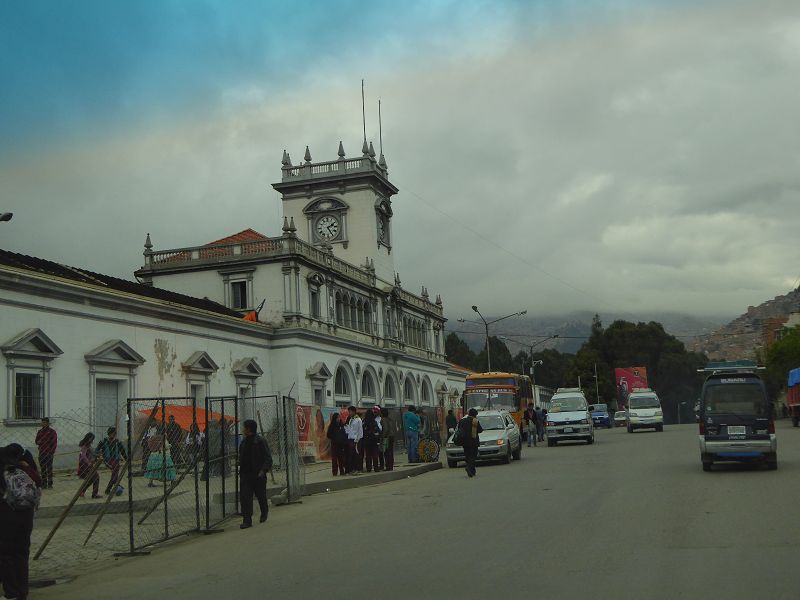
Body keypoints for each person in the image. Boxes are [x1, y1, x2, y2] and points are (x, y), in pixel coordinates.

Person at [0, 444, 42, 600]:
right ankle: (22, 592)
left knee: (6, 555)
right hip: (26, 517)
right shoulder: (24, 469)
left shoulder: (2, 471)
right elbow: (39, 482)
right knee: (22, 554)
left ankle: (11, 592)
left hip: (7, 517)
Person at [238, 419, 272, 529]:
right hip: (245, 474)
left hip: (258, 474)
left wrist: (263, 470)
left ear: (248, 429)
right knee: (245, 498)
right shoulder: (243, 442)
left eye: (244, 428)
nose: (243, 430)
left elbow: (268, 458)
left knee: (261, 496)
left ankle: (264, 512)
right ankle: (247, 520)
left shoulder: (260, 441)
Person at [96, 427, 128, 495]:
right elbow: (96, 450)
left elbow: (122, 451)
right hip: (107, 460)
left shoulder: (117, 442)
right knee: (115, 472)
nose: (112, 435)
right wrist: (99, 456)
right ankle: (115, 485)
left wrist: (126, 459)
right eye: (111, 434)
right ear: (109, 433)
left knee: (115, 473)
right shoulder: (103, 441)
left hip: (116, 460)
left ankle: (112, 487)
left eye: (114, 434)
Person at [458, 408, 483, 478]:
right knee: (473, 456)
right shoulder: (475, 421)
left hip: (464, 442)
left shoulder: (462, 421)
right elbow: (480, 430)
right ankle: (469, 467)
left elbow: (459, 429)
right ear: (475, 415)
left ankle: (472, 471)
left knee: (467, 456)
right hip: (473, 441)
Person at [35, 417, 57, 489]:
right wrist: (38, 442)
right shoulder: (40, 432)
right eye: (42, 422)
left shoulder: (52, 432)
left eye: (44, 422)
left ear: (47, 423)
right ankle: (44, 484)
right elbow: (36, 441)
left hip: (49, 453)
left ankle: (50, 484)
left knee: (49, 469)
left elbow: (54, 443)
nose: (42, 424)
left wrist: (51, 452)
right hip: (41, 453)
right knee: (43, 469)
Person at [77, 433, 101, 498]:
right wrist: (88, 463)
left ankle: (82, 491)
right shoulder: (85, 446)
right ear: (88, 438)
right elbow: (83, 456)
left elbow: (93, 453)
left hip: (89, 465)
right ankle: (94, 494)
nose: (92, 440)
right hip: (85, 466)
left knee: (91, 479)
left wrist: (98, 455)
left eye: (93, 439)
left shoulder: (89, 446)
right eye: (91, 439)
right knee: (96, 477)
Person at [344, 406, 363, 475]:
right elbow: (350, 430)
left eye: (350, 412)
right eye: (348, 412)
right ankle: (352, 469)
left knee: (356, 455)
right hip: (350, 439)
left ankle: (358, 469)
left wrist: (357, 440)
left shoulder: (358, 420)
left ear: (354, 412)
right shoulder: (351, 419)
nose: (349, 413)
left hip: (356, 440)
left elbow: (360, 431)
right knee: (351, 455)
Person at [380, 407, 395, 471]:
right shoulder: (390, 419)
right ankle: (391, 465)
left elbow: (385, 429)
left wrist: (383, 437)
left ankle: (388, 466)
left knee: (386, 452)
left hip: (387, 437)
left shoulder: (383, 420)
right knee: (390, 452)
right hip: (391, 436)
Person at [373, 406, 385, 471]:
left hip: (380, 437)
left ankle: (382, 465)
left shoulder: (380, 419)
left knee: (380, 452)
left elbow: (381, 428)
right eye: (374, 412)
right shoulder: (373, 419)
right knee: (376, 452)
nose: (375, 413)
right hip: (374, 438)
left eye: (376, 412)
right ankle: (377, 465)